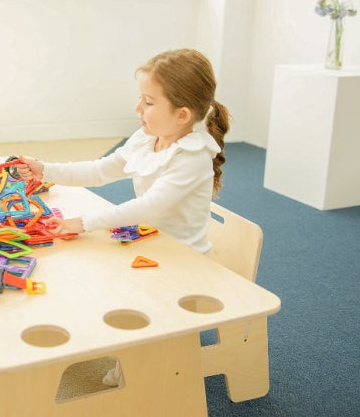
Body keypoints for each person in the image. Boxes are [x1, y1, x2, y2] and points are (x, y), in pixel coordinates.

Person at [16, 48, 230, 385]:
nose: (137, 108)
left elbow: (150, 205)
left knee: (104, 277)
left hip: (183, 259)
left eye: (148, 101)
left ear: (182, 115)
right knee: (85, 269)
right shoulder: (148, 138)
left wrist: (84, 222)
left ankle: (137, 365)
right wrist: (45, 169)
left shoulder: (193, 156)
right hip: (151, 243)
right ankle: (128, 350)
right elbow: (100, 170)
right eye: (141, 98)